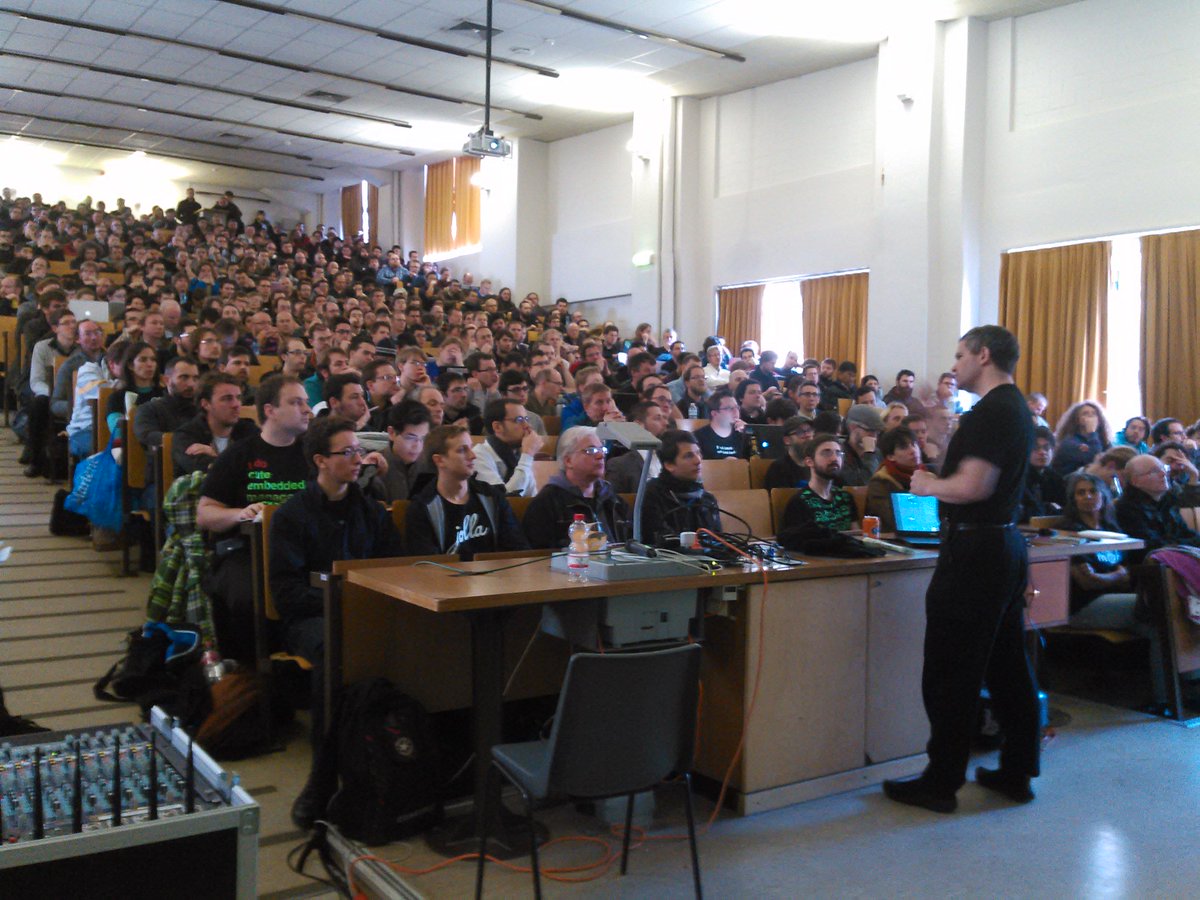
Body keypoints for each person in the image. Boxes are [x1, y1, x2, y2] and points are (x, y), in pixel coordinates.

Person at [882, 325, 1039, 813]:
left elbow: (972, 487)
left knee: (951, 669)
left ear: (983, 355)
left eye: (959, 355)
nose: (953, 366)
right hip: (1004, 546)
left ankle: (941, 780)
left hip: (976, 553)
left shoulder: (993, 411)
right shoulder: (1016, 409)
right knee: (1009, 663)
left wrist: (926, 484)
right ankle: (1016, 770)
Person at [268, 414, 403, 829]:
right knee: (336, 648)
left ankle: (395, 764)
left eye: (359, 451)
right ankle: (322, 780)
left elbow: (394, 569)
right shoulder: (291, 515)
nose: (357, 459)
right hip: (312, 618)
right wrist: (343, 600)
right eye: (347, 452)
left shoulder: (371, 511)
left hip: (365, 611)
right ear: (320, 461)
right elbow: (287, 595)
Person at [198, 375, 312, 662]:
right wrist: (240, 514)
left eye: (306, 402)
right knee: (247, 597)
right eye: (296, 402)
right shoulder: (239, 455)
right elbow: (205, 513)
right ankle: (253, 671)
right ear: (270, 410)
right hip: (246, 551)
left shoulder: (313, 454)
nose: (306, 409)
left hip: (304, 549)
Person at [405, 423, 529, 560]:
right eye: (462, 450)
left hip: (493, 579)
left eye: (470, 447)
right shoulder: (423, 508)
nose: (472, 455)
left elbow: (518, 549)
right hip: (446, 579)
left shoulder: (492, 497)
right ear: (439, 460)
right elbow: (426, 566)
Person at [522, 426, 630, 549]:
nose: (601, 456)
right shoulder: (546, 503)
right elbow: (540, 556)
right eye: (591, 450)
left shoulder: (614, 500)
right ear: (568, 461)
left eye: (602, 450)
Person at [638, 430, 722, 547]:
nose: (698, 460)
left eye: (698, 453)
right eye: (688, 456)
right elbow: (658, 542)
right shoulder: (652, 495)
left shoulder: (707, 498)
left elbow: (718, 541)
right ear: (669, 465)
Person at [171, 373, 260, 476]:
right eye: (227, 398)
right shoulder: (186, 435)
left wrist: (216, 456)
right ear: (206, 404)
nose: (236, 404)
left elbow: (268, 465)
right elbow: (206, 473)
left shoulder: (249, 430)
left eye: (238, 398)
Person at [1115, 454, 1200, 561]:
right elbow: (1152, 546)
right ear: (1135, 481)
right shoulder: (1126, 508)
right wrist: (1185, 543)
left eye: (1164, 468)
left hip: (1178, 557)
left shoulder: (1167, 501)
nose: (1163, 474)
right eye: (1154, 471)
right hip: (1152, 568)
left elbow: (1187, 533)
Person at [781, 434, 857, 532]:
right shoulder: (799, 502)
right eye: (827, 453)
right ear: (809, 462)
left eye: (838, 453)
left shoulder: (846, 498)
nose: (835, 458)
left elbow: (857, 536)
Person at [473, 398, 542, 496]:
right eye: (519, 420)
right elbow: (504, 498)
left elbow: (531, 498)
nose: (527, 425)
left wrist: (526, 456)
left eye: (526, 419)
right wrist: (527, 455)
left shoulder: (518, 455)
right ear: (497, 427)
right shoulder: (479, 455)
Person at [865, 426, 926, 532]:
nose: (913, 450)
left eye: (914, 444)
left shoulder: (928, 477)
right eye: (904, 447)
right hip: (892, 539)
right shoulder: (880, 482)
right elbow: (895, 520)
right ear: (890, 456)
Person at [606, 399, 670, 493]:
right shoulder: (620, 466)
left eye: (665, 418)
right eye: (657, 418)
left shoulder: (670, 459)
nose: (666, 423)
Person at [379, 400, 432, 502]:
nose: (417, 445)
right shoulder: (377, 469)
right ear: (392, 433)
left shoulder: (430, 465)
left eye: (423, 438)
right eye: (410, 438)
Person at [1051, 400, 1112, 477]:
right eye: (1085, 413)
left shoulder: (1103, 440)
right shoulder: (1068, 441)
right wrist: (1091, 432)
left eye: (1094, 414)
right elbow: (1095, 459)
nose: (1090, 416)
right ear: (1077, 420)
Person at [1018, 426, 1065, 522]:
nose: (1042, 452)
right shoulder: (1019, 477)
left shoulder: (1056, 478)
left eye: (1046, 448)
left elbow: (1065, 510)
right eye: (1035, 448)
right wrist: (1048, 507)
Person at [693, 388, 750, 460]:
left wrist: (749, 431)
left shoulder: (743, 434)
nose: (736, 411)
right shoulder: (698, 437)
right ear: (714, 413)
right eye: (729, 408)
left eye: (736, 407)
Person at [763, 416, 815, 489]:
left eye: (809, 430)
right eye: (800, 432)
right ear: (787, 440)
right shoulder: (779, 469)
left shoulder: (818, 465)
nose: (807, 435)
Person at [840, 404, 883, 486]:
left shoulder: (877, 453)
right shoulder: (840, 454)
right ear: (852, 427)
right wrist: (869, 454)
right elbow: (862, 483)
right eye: (869, 430)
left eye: (877, 432)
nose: (874, 436)